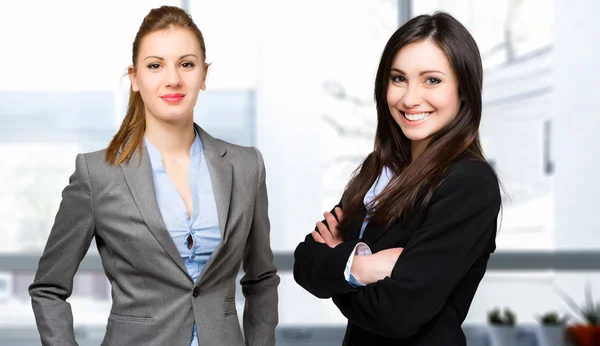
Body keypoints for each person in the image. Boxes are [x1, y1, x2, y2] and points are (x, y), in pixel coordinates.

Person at [28, 5, 279, 346]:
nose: (173, 78)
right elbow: (48, 289)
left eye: (186, 64)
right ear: (135, 77)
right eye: (155, 65)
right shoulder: (98, 174)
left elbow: (261, 279)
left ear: (204, 74)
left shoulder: (246, 166)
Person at [293, 11, 501, 346]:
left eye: (432, 80)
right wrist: (363, 267)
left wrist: (337, 266)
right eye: (398, 78)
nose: (409, 98)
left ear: (463, 89)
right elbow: (305, 262)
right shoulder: (378, 169)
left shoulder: (470, 182)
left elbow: (398, 313)